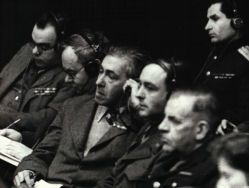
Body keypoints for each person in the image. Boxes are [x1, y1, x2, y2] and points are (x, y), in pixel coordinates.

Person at [13, 45, 147, 188]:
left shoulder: (138, 127)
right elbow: (43, 152)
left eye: (111, 77)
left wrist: (135, 109)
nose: (98, 82)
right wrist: (29, 171)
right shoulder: (73, 106)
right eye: (101, 71)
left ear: (133, 85)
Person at [0, 29, 109, 188]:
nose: (66, 79)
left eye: (71, 73)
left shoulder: (120, 117)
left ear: (93, 69)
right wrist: (29, 169)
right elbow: (46, 149)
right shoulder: (73, 105)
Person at [95, 58, 176, 188]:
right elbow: (113, 179)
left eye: (150, 88)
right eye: (140, 85)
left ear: (171, 94)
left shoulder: (171, 143)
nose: (138, 94)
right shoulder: (147, 128)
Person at [0, 11, 74, 146]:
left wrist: (3, 117)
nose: (34, 51)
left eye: (44, 47)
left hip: (14, 140)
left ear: (61, 46)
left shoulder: (69, 76)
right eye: (33, 43)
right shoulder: (26, 51)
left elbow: (47, 118)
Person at [138, 87, 221, 188]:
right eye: (165, 117)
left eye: (174, 121)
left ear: (200, 130)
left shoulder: (214, 173)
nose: (162, 127)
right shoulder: (170, 156)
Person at [194, 0, 249, 126]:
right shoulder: (215, 52)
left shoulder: (245, 58)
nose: (207, 26)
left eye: (215, 19)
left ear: (237, 22)